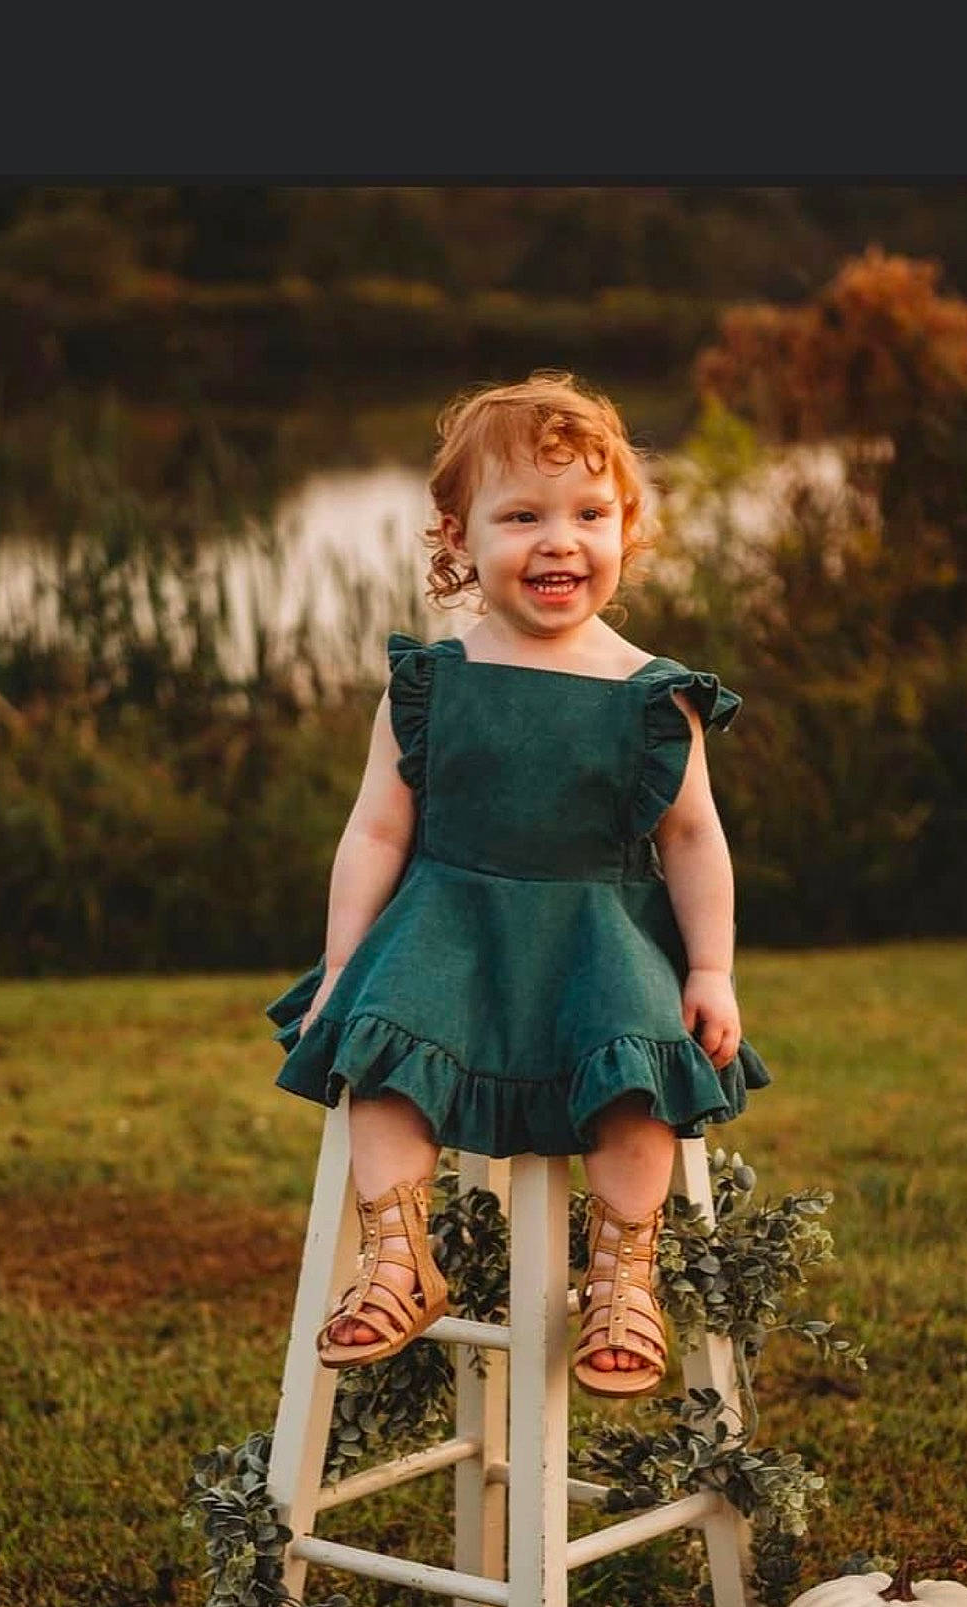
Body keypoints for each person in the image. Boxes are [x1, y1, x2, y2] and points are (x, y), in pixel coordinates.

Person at [265, 371, 772, 1399]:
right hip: (448, 932)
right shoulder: (432, 683)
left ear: (627, 530)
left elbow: (693, 837)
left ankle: (623, 1274)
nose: (558, 540)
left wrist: (710, 965)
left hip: (599, 937)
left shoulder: (650, 697)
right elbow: (374, 827)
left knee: (637, 1090)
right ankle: (398, 1256)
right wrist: (341, 963)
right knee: (382, 1066)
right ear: (457, 540)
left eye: (589, 514)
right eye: (522, 515)